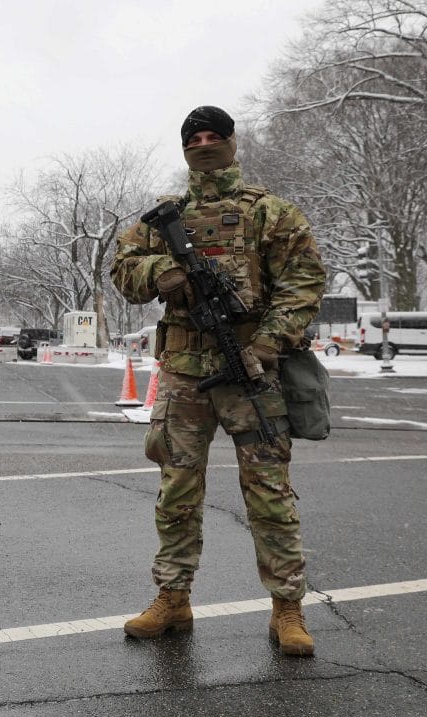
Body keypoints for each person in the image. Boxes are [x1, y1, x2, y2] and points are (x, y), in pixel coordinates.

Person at [110, 105, 326, 657]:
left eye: (214, 136)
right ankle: (173, 600)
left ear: (232, 143)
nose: (204, 145)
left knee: (270, 494)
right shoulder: (165, 218)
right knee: (176, 493)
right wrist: (163, 271)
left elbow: (303, 281)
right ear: (185, 149)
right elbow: (124, 273)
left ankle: (288, 608)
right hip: (184, 375)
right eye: (195, 138)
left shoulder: (271, 213)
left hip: (252, 369)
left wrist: (266, 343)